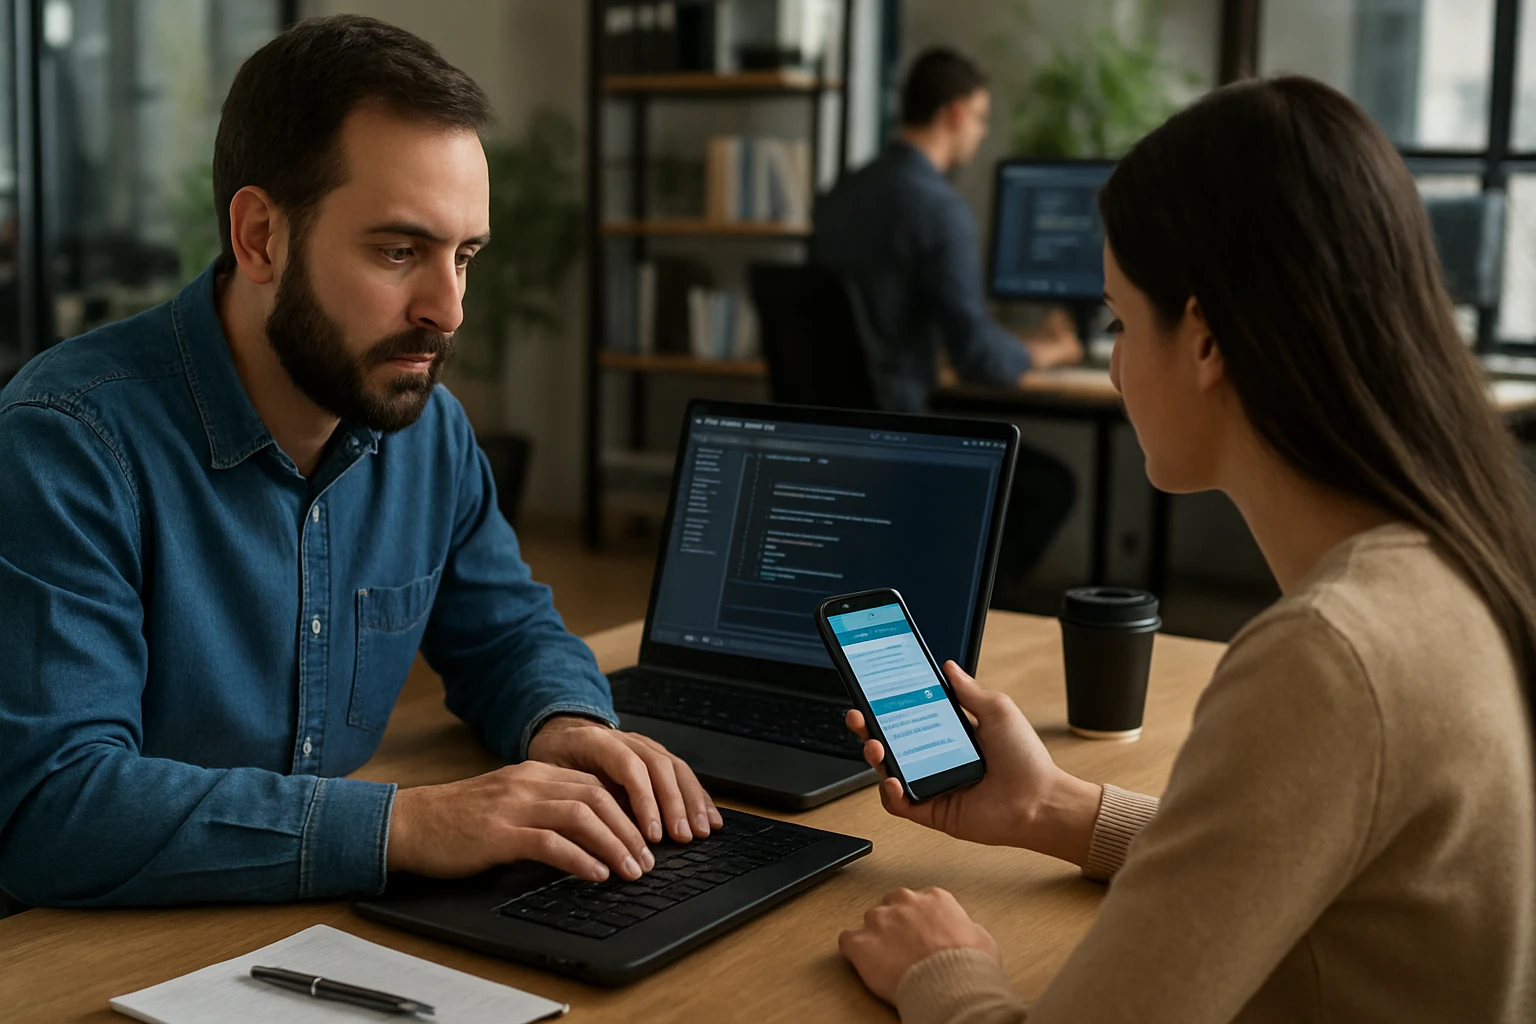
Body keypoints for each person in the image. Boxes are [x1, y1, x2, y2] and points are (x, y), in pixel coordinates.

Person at [836, 76, 1536, 1023]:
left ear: (1204, 339)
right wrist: (1054, 809)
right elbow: (1316, 847)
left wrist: (944, 972)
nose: (1117, 361)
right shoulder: (1461, 562)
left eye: (1121, 320)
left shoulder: (1327, 658)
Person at [0, 16, 721, 909]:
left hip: (317, 927)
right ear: (261, 236)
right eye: (399, 251)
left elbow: (506, 634)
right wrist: (407, 826)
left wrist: (563, 721)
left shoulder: (430, 432)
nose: (449, 310)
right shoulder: (70, 439)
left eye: (465, 256)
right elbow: (50, 805)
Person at [814, 48, 1083, 602]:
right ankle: (961, 613)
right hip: (898, 432)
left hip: (830, 432)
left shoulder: (840, 196)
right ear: (956, 113)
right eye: (982, 119)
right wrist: (1047, 352)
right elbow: (978, 358)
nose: (981, 134)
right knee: (1049, 486)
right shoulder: (937, 208)